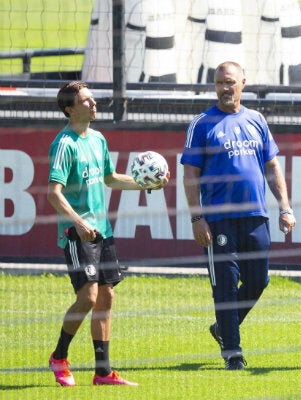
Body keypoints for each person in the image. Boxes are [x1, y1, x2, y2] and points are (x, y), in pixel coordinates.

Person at [47, 81, 168, 386]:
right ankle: (59, 357)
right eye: (86, 101)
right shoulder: (64, 144)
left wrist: (147, 184)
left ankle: (103, 373)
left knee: (106, 297)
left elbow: (111, 179)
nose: (93, 104)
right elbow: (53, 193)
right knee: (87, 296)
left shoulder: (98, 139)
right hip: (79, 234)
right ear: (69, 109)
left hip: (103, 231)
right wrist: (77, 222)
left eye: (92, 99)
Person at [181, 61, 296, 370]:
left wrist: (284, 206)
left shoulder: (257, 120)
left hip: (256, 215)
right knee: (227, 285)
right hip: (219, 220)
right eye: (219, 83)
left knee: (259, 280)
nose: (225, 88)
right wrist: (196, 218)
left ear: (243, 83)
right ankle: (233, 352)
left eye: (230, 82)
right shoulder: (202, 124)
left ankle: (222, 328)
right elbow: (190, 175)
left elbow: (272, 167)